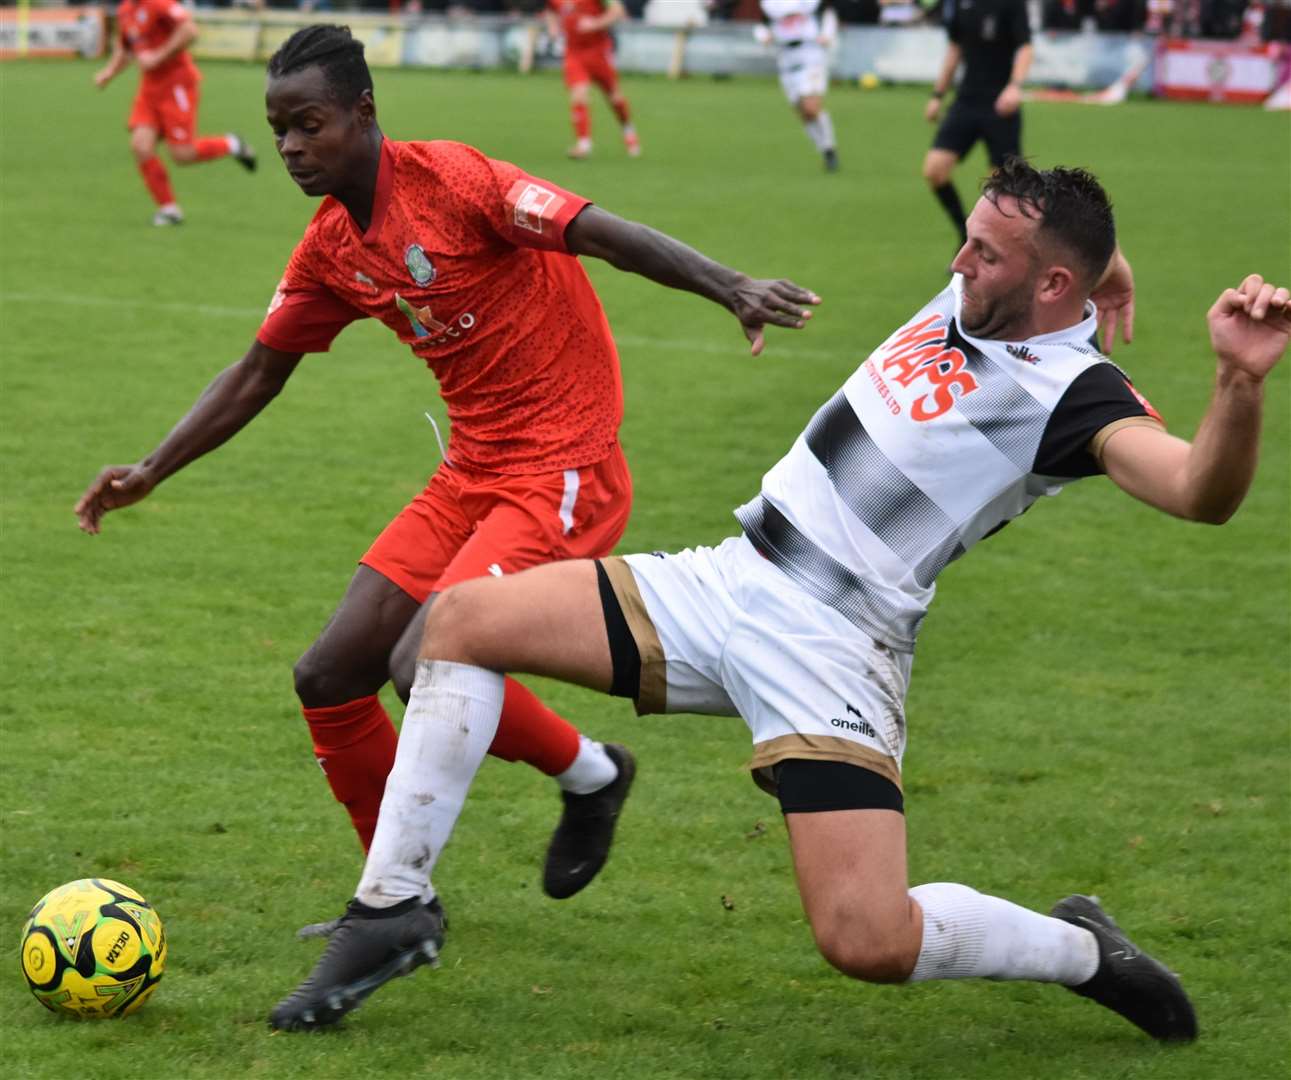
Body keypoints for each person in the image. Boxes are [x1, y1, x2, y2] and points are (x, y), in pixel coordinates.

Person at [268, 159, 1290, 1039]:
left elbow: (1198, 492)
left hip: (836, 648)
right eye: (966, 243)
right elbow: (1064, 244)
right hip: (732, 579)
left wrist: (1236, 383)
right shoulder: (992, 288)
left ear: (1047, 282)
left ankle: (1080, 950)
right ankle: (393, 908)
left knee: (866, 939)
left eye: (981, 254)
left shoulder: (1076, 397)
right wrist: (1111, 269)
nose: (955, 265)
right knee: (455, 622)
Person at [76, 24, 818, 933]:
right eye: (277, 132)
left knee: (424, 656)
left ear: (363, 111)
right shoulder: (330, 248)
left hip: (563, 462)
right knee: (329, 676)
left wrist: (729, 284)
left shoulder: (458, 182)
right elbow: (259, 369)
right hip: (473, 467)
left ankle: (405, 898)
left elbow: (603, 234)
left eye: (308, 124)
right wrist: (152, 468)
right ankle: (470, 851)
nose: (292, 148)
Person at [94, 0, 257, 226]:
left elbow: (190, 31)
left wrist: (158, 56)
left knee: (183, 155)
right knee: (141, 146)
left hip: (177, 84)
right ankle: (169, 209)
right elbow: (126, 48)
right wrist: (109, 73)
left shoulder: (159, 4)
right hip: (149, 88)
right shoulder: (125, 11)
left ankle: (231, 144)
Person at [921, 0, 1032, 247]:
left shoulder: (1012, 5)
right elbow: (955, 48)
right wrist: (938, 95)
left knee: (1002, 188)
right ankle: (965, 233)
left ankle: (994, 247)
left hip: (1000, 104)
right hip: (966, 101)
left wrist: (1015, 87)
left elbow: (1025, 47)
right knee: (934, 170)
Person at [545, 0, 640, 159]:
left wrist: (595, 23)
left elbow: (618, 11)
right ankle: (583, 144)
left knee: (614, 97)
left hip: (598, 51)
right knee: (578, 94)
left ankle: (628, 129)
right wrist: (553, 28)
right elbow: (550, 11)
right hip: (574, 53)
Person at [755, 0, 840, 171]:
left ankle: (830, 148)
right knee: (803, 113)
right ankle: (825, 150)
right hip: (786, 58)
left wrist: (827, 34)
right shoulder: (770, 5)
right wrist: (763, 36)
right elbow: (762, 25)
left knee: (811, 107)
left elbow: (828, 14)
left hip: (810, 55)